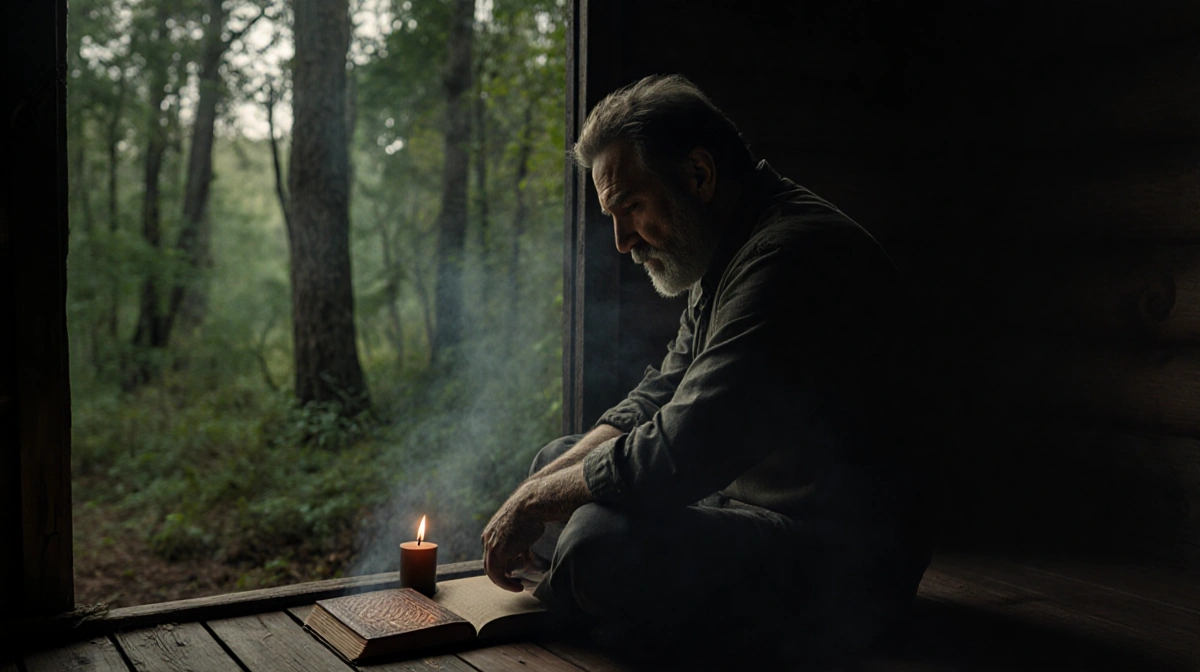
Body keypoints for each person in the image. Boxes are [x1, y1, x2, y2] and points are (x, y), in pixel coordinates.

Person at [481, 74, 933, 664]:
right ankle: (583, 595)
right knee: (551, 466)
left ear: (698, 175)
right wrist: (535, 490)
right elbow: (660, 395)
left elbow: (678, 448)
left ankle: (585, 601)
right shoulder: (729, 247)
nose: (621, 241)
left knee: (596, 542)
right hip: (741, 503)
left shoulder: (791, 259)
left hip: (842, 565)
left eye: (633, 207)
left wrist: (534, 504)